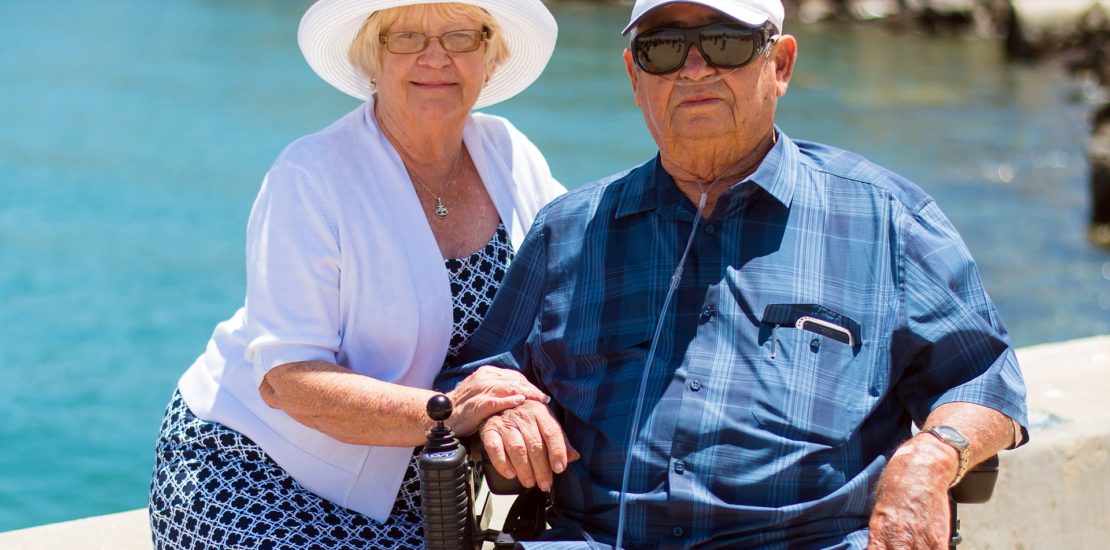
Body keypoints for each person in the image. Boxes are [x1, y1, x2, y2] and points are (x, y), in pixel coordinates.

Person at [438, 0, 1029, 548]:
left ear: (782, 64)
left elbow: (984, 379)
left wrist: (930, 456)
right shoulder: (568, 229)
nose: (694, 68)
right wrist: (505, 406)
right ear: (634, 77)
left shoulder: (887, 220)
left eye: (725, 43)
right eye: (664, 49)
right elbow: (484, 371)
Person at [147, 0, 565, 548]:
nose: (435, 57)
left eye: (461, 37)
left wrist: (521, 403)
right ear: (373, 59)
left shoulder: (511, 153)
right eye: (407, 38)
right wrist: (455, 412)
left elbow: (571, 297)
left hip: (418, 482)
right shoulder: (310, 175)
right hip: (254, 467)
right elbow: (287, 380)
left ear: (490, 59)